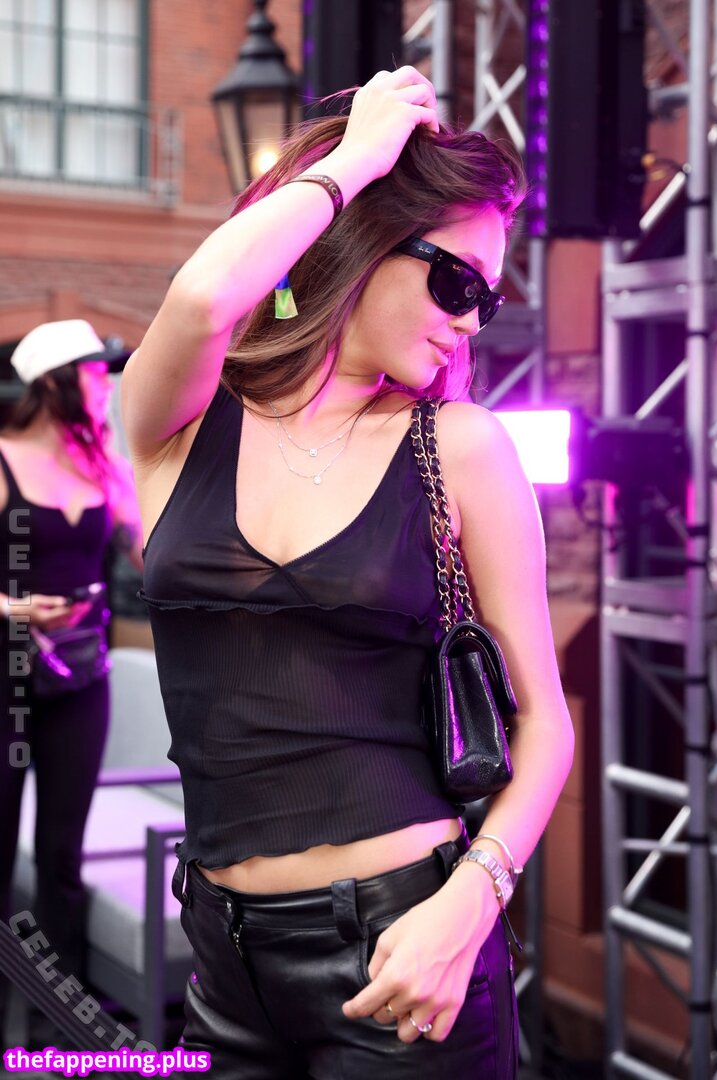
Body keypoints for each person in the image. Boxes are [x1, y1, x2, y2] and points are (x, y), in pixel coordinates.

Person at [122, 67, 574, 1077]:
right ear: (365, 240)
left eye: (490, 298)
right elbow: (202, 297)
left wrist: (471, 903)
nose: (473, 319)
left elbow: (545, 723)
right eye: (459, 282)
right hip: (221, 961)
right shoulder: (176, 429)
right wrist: (358, 160)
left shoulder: (460, 446)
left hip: (404, 945)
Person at [0, 319, 144, 1044]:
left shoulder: (103, 464)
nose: (102, 384)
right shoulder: (2, 458)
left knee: (62, 855)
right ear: (53, 382)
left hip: (83, 678)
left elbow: (150, 555)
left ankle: (62, 1027)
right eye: (92, 372)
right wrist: (14, 608)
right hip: (8, 675)